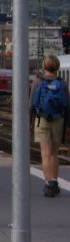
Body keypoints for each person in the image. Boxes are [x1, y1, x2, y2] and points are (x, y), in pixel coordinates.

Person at [31, 54, 69, 197]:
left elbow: (32, 104)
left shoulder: (37, 81)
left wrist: (30, 122)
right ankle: (54, 180)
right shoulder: (62, 83)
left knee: (45, 154)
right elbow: (67, 105)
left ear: (44, 66)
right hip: (58, 120)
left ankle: (48, 184)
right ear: (57, 67)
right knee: (54, 153)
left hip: (42, 120)